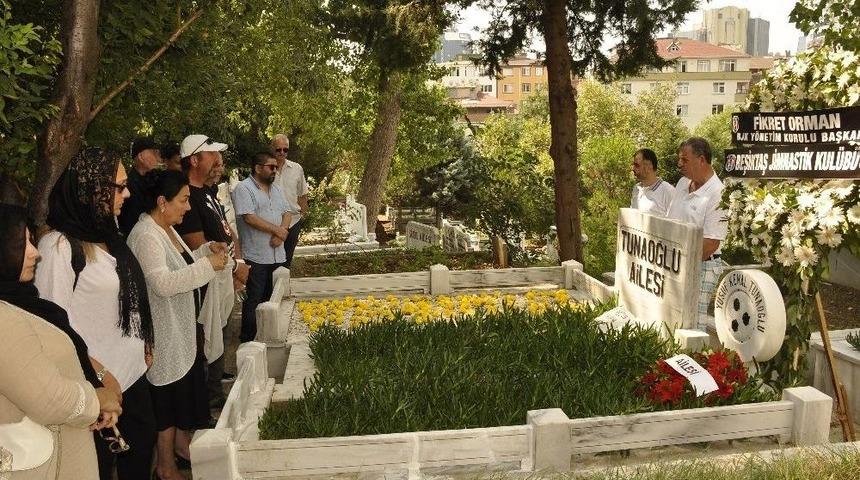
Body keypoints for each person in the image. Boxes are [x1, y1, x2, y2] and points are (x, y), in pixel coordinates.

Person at [35, 147, 157, 480]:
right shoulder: (59, 247)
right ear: (91, 190)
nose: (127, 193)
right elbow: (51, 328)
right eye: (119, 187)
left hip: (131, 377)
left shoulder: (108, 236)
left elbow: (127, 299)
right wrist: (100, 375)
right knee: (100, 468)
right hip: (96, 388)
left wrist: (144, 338)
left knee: (141, 454)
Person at [0, 203, 121, 479]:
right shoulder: (3, 318)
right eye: (22, 243)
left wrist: (100, 377)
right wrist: (98, 398)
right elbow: (49, 399)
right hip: (44, 464)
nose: (35, 253)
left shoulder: (25, 301)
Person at [127, 169, 228, 479]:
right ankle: (166, 467)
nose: (188, 207)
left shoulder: (165, 229)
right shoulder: (146, 235)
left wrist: (202, 252)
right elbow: (161, 283)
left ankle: (175, 457)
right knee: (165, 404)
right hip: (163, 333)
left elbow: (179, 264)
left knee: (176, 400)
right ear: (162, 201)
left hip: (178, 331)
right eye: (183, 200)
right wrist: (208, 267)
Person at [174, 134, 245, 410]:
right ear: (194, 160)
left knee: (221, 335)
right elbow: (198, 246)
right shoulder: (187, 197)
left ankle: (214, 392)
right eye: (212, 155)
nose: (219, 161)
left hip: (224, 277)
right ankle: (206, 401)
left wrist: (238, 263)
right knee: (208, 339)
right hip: (206, 285)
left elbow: (226, 232)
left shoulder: (207, 193)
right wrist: (235, 267)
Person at [666, 137, 728, 330]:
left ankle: (693, 360)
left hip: (701, 266)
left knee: (692, 324)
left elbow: (711, 243)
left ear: (701, 160)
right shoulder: (683, 183)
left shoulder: (718, 194)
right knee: (670, 319)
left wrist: (681, 264)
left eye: (684, 159)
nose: (679, 164)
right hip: (673, 264)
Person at [233, 152, 290, 343]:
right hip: (256, 256)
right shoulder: (244, 188)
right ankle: (248, 342)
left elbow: (287, 212)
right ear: (258, 168)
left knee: (274, 298)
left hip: (277, 254)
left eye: (276, 167)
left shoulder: (277, 189)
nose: (275, 170)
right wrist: (278, 231)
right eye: (271, 167)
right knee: (254, 301)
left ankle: (269, 339)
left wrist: (281, 232)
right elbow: (249, 217)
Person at [271, 134, 308, 268]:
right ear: (272, 149)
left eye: (285, 149)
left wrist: (303, 216)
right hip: (271, 223)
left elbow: (302, 194)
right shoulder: (265, 169)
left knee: (286, 262)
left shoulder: (297, 169)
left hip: (293, 222)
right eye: (278, 149)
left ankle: (284, 288)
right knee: (270, 262)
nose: (282, 152)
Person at [118, 137, 163, 236]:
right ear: (141, 156)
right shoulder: (129, 184)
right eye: (154, 153)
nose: (158, 158)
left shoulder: (154, 179)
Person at [630, 148, 675, 217]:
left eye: (637, 165)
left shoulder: (668, 191)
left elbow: (676, 223)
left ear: (649, 166)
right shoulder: (636, 189)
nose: (633, 169)